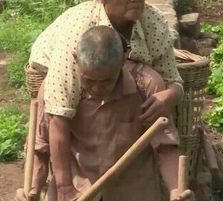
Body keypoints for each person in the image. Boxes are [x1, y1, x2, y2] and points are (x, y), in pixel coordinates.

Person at [27, 0, 185, 199]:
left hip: (126, 83)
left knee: (152, 83)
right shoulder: (76, 34)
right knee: (54, 106)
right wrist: (66, 189)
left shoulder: (152, 21)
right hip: (65, 78)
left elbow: (173, 79)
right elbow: (58, 118)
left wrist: (168, 95)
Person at [17, 26, 194, 201]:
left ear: (123, 62)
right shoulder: (56, 88)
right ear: (76, 59)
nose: (97, 88)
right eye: (89, 80)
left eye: (106, 81)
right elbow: (40, 148)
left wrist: (176, 191)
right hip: (76, 193)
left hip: (134, 192)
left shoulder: (147, 85)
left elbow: (166, 147)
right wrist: (31, 191)